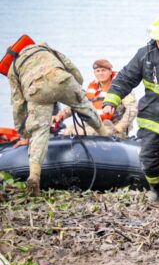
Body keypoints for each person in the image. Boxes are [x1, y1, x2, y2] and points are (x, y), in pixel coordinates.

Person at [5, 39, 109, 196]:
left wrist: (24, 134)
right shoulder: (44, 49)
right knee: (85, 108)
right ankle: (105, 134)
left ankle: (34, 176)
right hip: (62, 79)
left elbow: (18, 104)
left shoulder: (14, 68)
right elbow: (71, 67)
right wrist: (77, 87)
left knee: (39, 132)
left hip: (37, 90)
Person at [103, 13, 159, 203]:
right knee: (149, 161)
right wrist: (111, 101)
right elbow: (125, 78)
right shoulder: (145, 55)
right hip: (152, 116)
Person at [54, 59, 137, 138]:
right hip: (96, 124)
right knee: (68, 131)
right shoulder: (93, 88)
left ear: (110, 71)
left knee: (91, 132)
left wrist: (120, 127)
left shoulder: (120, 87)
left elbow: (132, 108)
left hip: (114, 126)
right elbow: (79, 103)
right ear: (95, 73)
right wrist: (62, 115)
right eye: (98, 71)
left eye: (103, 70)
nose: (101, 73)